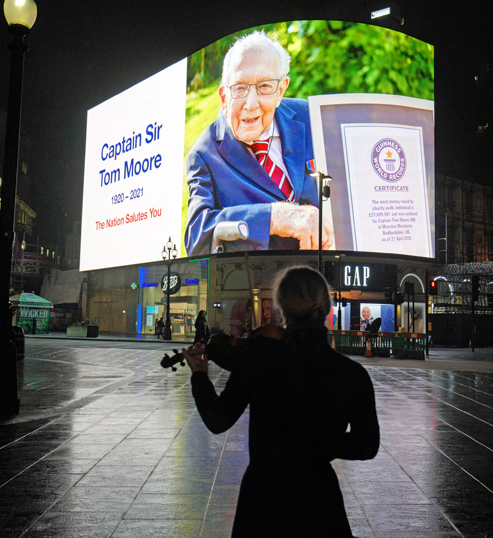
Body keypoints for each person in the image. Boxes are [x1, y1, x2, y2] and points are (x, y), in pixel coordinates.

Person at [182, 266, 379, 536]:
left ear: (281, 308)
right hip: (319, 504)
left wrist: (200, 376)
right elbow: (367, 445)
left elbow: (217, 420)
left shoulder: (258, 359)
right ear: (326, 308)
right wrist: (318, 443)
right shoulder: (352, 374)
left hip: (262, 502)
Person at [184, 31, 334, 256]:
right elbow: (197, 238)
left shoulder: (312, 118)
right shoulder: (204, 155)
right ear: (224, 97)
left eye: (264, 86)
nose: (251, 104)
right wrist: (276, 217)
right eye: (240, 88)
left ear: (280, 90)